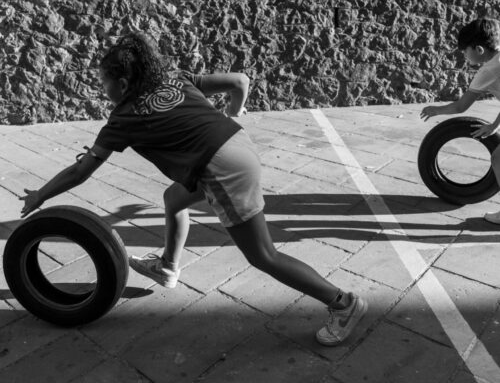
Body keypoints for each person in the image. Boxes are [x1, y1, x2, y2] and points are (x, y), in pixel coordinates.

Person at [19, 32, 367, 345]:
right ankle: (168, 266)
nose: (102, 90)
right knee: (174, 198)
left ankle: (343, 303)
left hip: (221, 169)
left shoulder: (122, 119)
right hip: (237, 144)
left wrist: (40, 196)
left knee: (263, 255)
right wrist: (235, 112)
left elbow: (81, 171)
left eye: (104, 82)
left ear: (123, 84)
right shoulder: (174, 78)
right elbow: (239, 81)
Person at [421, 18, 500, 223]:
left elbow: (460, 107)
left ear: (479, 49)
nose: (464, 55)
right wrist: (494, 125)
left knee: (499, 159)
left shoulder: (488, 71)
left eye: (465, 50)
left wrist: (435, 110)